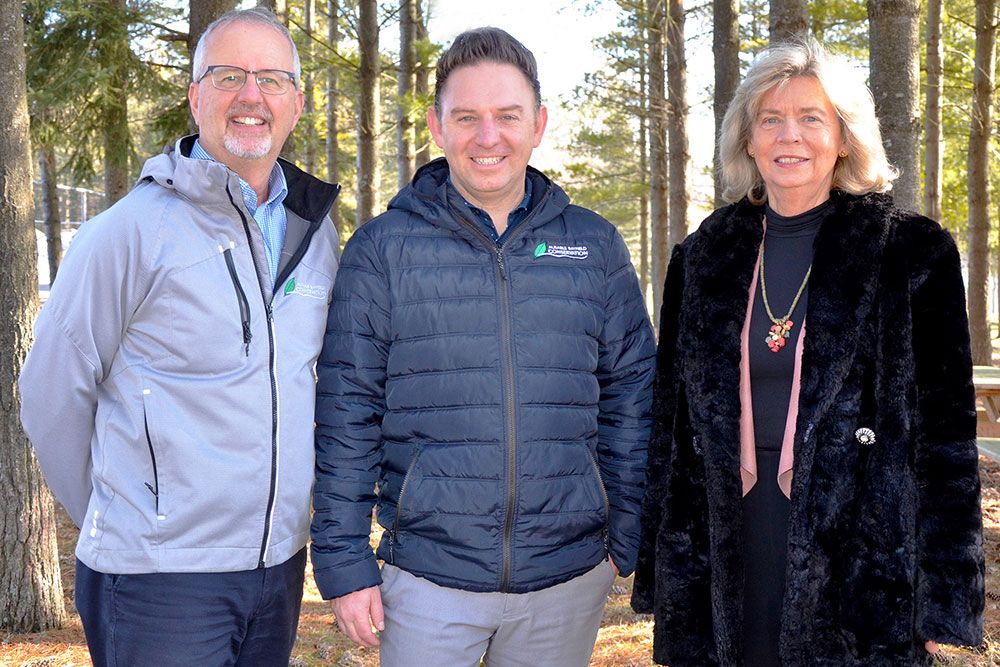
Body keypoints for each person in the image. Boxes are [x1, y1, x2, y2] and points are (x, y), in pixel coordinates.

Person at [631, 38, 984, 666]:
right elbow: (671, 426)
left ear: (845, 138)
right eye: (770, 119)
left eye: (811, 118)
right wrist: (663, 574)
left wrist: (946, 596)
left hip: (861, 557)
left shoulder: (911, 253)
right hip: (727, 542)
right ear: (747, 139)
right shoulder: (703, 258)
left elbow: (947, 442)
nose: (788, 135)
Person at [310, 26, 655, 667]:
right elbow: (345, 410)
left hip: (567, 579)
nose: (488, 136)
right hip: (425, 579)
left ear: (539, 124)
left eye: (507, 116)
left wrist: (624, 532)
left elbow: (633, 395)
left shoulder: (594, 246)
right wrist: (342, 556)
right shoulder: (382, 251)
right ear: (438, 128)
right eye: (467, 117)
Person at [18, 8, 340, 665]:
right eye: (229, 76)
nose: (251, 95)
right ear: (195, 96)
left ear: (296, 103)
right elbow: (50, 396)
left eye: (272, 79)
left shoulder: (317, 233)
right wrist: (135, 514)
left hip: (278, 567)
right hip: (159, 579)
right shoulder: (127, 231)